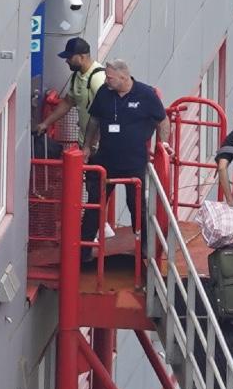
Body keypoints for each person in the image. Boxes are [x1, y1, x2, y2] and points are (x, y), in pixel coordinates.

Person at [80, 59, 171, 254]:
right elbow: (94, 120)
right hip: (106, 160)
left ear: (123, 77)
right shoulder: (104, 93)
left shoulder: (146, 94)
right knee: (95, 203)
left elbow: (162, 120)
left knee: (137, 205)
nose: (106, 80)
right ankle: (84, 248)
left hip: (134, 161)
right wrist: (87, 146)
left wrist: (163, 143)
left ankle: (146, 247)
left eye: (110, 77)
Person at [35, 37, 106, 147]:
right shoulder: (76, 76)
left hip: (98, 147)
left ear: (82, 57)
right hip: (84, 144)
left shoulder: (98, 78)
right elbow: (68, 102)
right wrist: (46, 123)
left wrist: (93, 143)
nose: (67, 60)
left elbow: (107, 112)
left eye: (69, 57)